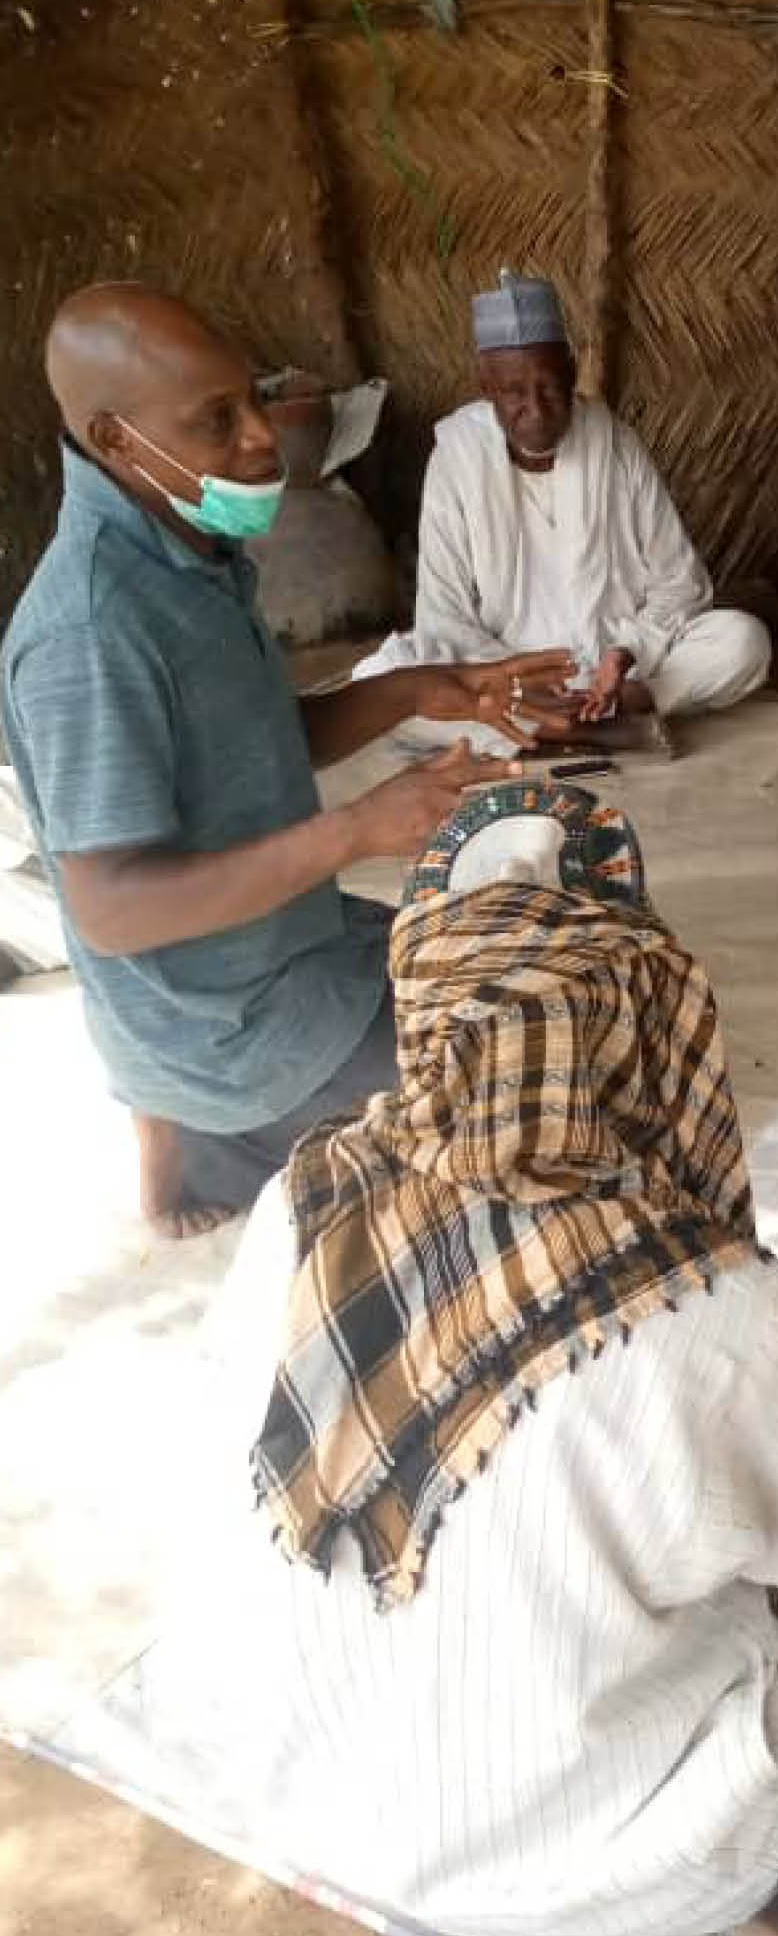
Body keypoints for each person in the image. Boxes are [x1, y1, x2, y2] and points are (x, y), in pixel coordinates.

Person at [207, 790, 778, 1936]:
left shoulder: (301, 1197)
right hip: (604, 1867)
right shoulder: (709, 1308)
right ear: (638, 1018)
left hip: (315, 1804)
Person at [0, 282, 577, 1237]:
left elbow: (250, 750)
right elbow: (109, 908)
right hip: (238, 1031)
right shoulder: (92, 633)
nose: (262, 438)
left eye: (252, 401)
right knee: (547, 1082)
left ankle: (209, 1127)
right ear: (113, 439)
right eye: (216, 419)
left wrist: (419, 689)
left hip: (294, 956)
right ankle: (225, 1134)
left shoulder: (186, 550)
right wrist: (357, 828)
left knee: (543, 958)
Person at [355, 270, 771, 744]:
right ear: (486, 386)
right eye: (514, 392)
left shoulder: (614, 445)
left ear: (571, 375)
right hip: (506, 680)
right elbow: (443, 617)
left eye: (550, 387)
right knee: (376, 681)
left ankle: (620, 707)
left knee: (743, 641)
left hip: (617, 668)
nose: (535, 407)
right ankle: (582, 725)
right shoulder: (457, 456)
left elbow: (680, 582)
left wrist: (624, 653)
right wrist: (517, 680)